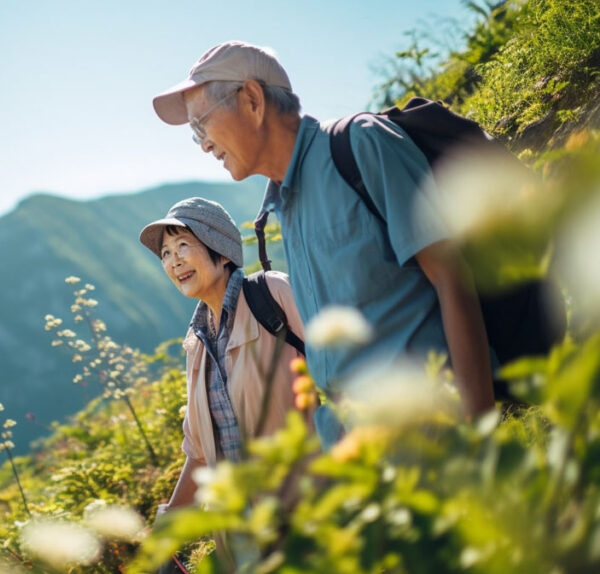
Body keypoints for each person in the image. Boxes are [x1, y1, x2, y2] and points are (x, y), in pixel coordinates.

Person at [151, 41, 494, 448]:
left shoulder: (362, 146)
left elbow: (453, 279)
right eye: (195, 135)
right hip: (357, 461)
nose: (204, 144)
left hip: (431, 440)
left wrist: (481, 438)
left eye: (201, 124)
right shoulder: (282, 203)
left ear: (252, 100)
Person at [138, 197, 307, 514]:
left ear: (218, 246)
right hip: (243, 535)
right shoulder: (196, 343)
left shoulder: (272, 294)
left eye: (183, 245)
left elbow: (341, 373)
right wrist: (170, 520)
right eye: (165, 253)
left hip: (309, 511)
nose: (174, 261)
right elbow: (199, 453)